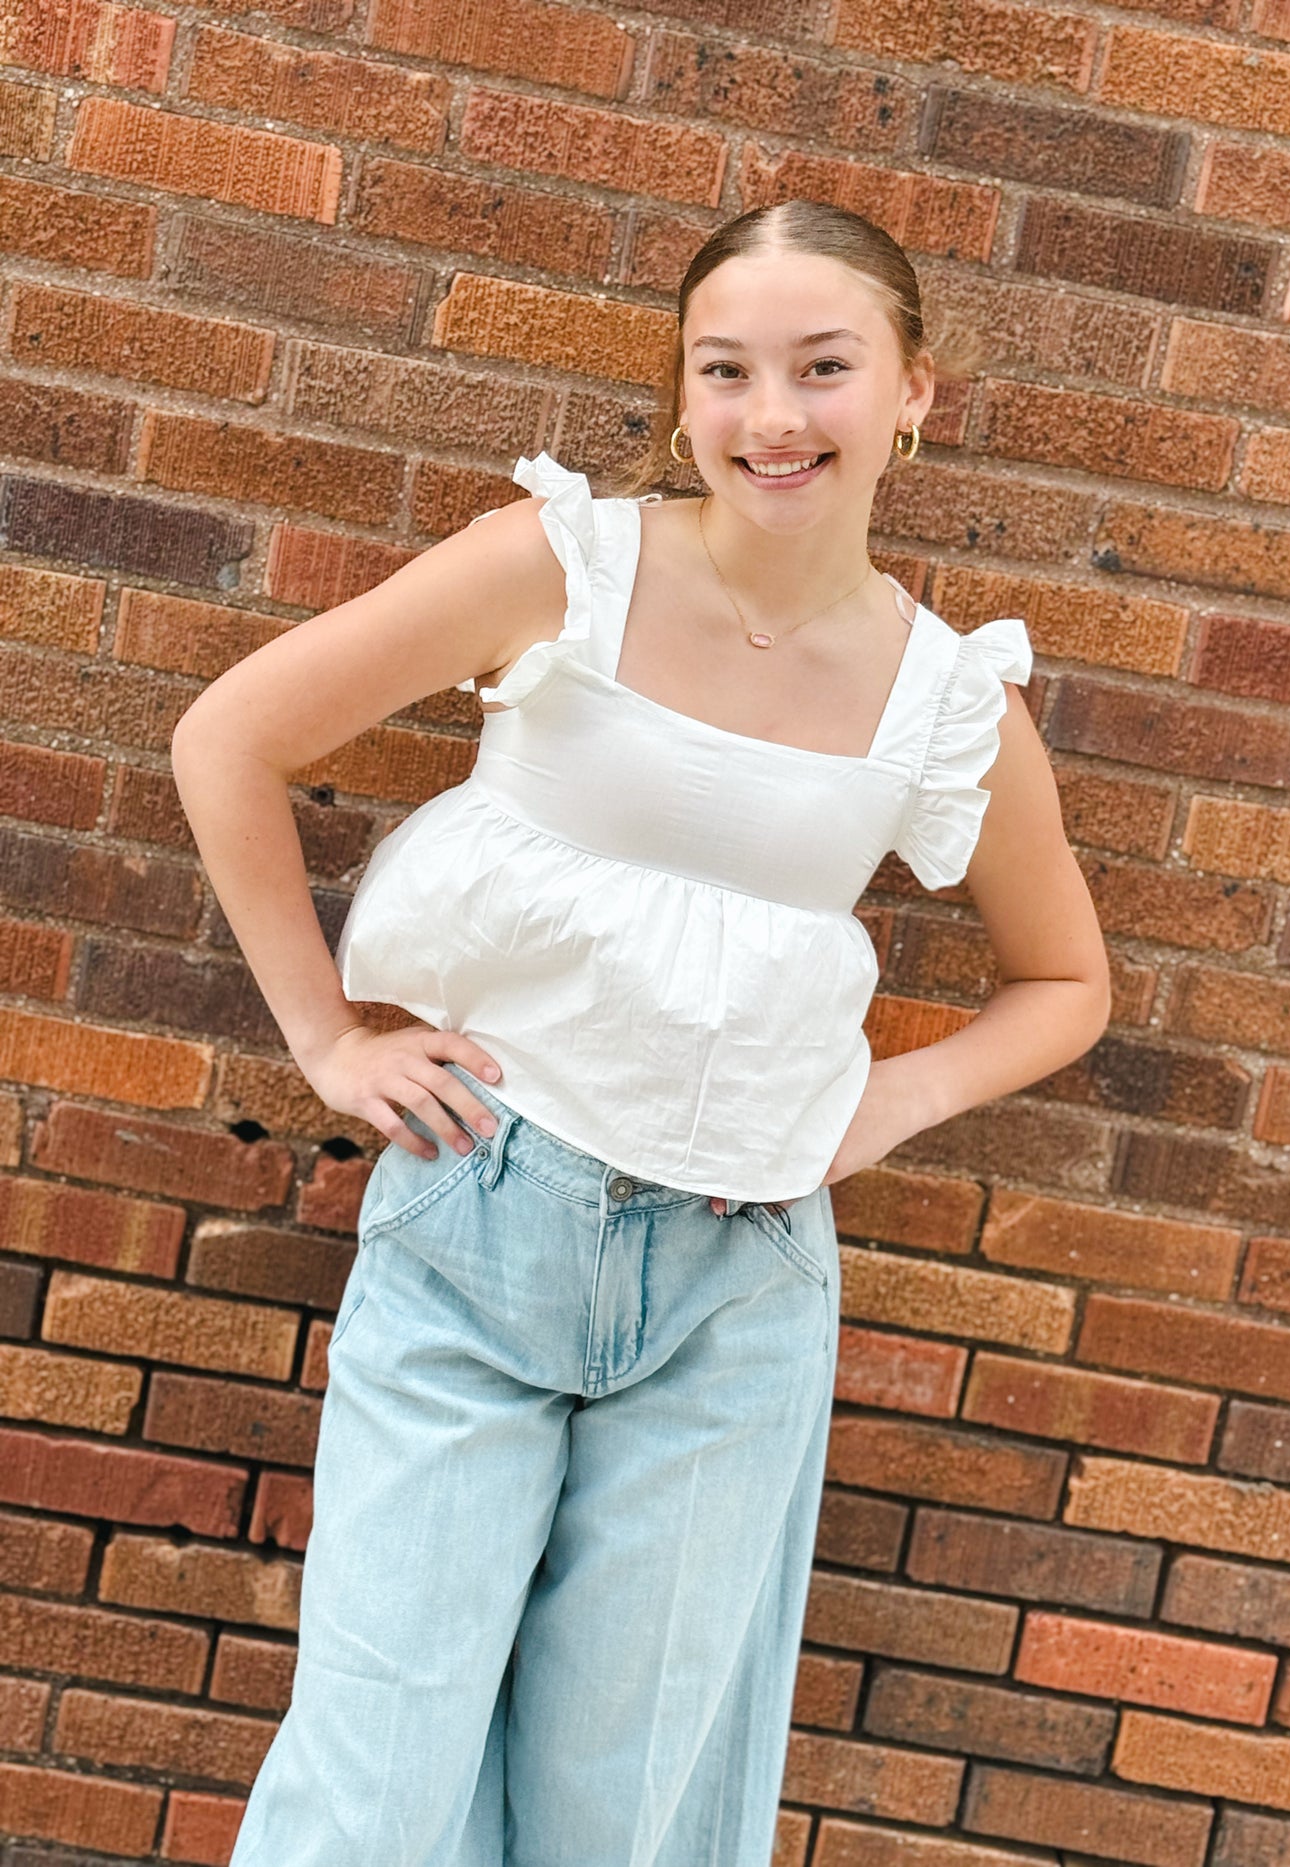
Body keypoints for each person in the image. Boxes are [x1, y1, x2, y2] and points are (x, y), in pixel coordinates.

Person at [171, 198, 1111, 1866]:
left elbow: (1064, 983)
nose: (773, 416)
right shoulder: (567, 568)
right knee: (372, 1797)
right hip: (480, 1222)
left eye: (824, 368)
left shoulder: (948, 700)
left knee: (628, 1819)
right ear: (680, 395)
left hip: (737, 1291)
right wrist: (325, 1040)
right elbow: (231, 739)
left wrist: (889, 1106)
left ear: (912, 395)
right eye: (726, 369)